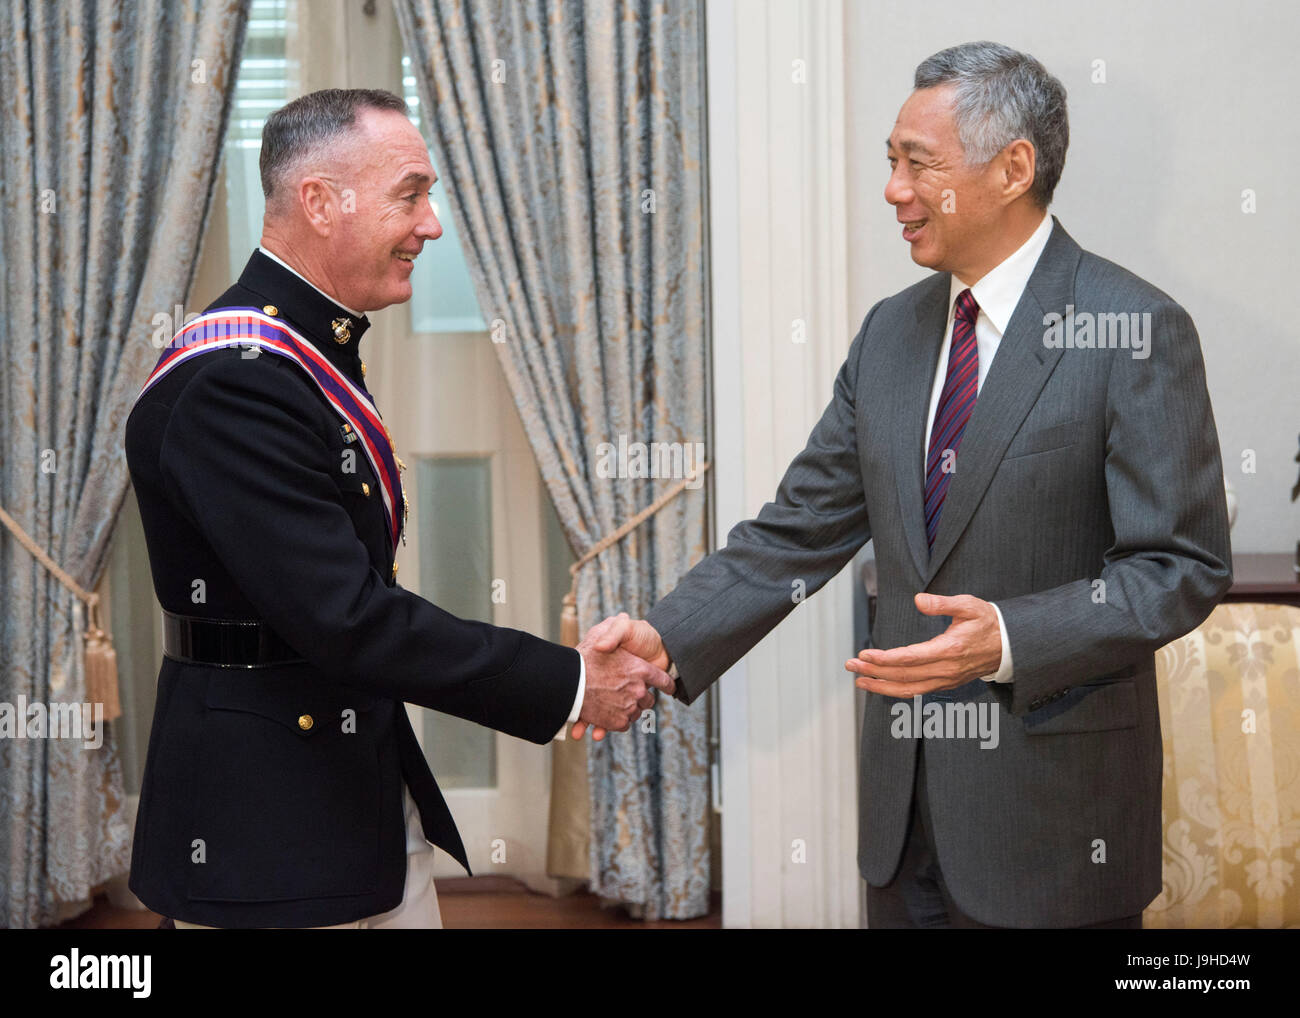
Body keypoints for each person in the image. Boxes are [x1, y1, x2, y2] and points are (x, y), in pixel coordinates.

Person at [578, 42, 1232, 928]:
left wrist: (1007, 637)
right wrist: (661, 636)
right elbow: (797, 531)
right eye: (890, 160)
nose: (893, 189)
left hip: (1053, 832)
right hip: (901, 827)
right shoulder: (890, 334)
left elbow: (1178, 568)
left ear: (1013, 168)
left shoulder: (1135, 329)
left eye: (917, 163)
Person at [125, 88, 672, 929]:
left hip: (353, 781)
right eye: (410, 194)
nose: (433, 224)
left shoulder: (305, 350)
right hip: (266, 825)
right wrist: (568, 684)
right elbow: (346, 616)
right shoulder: (237, 379)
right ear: (318, 201)